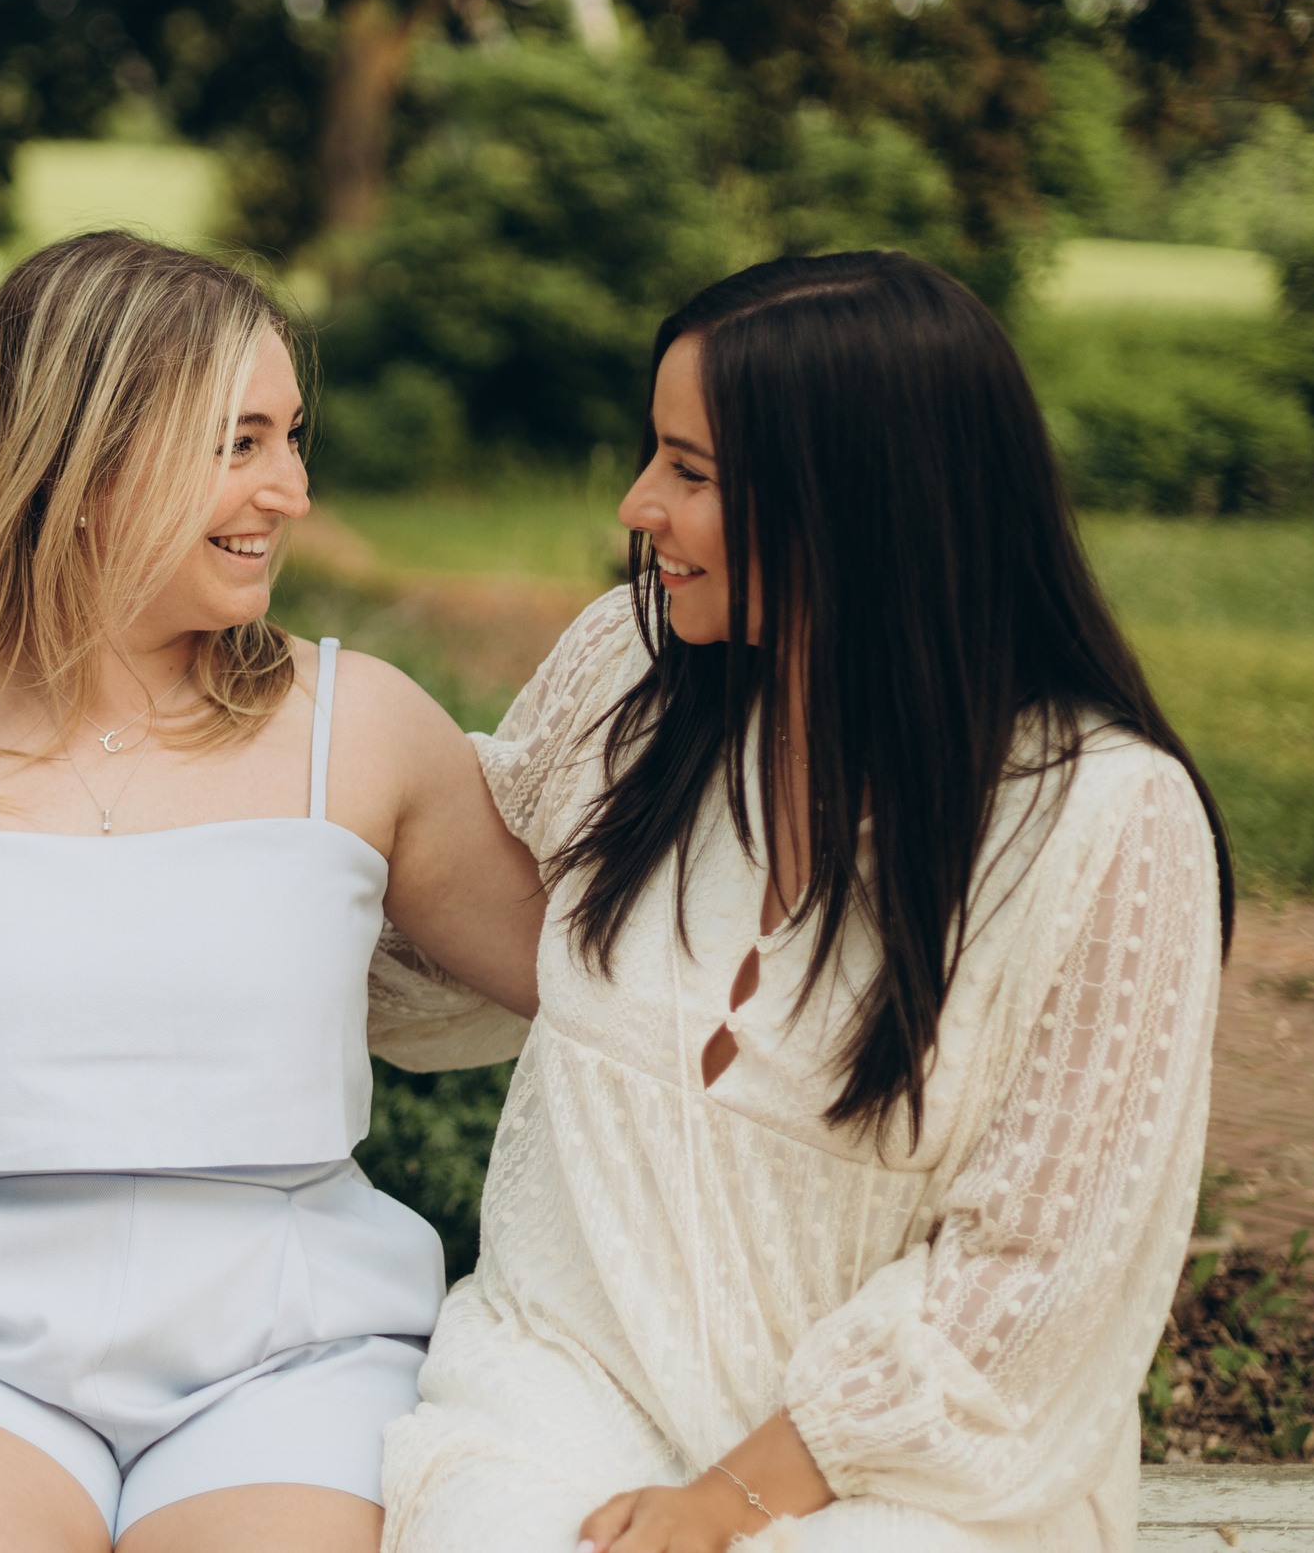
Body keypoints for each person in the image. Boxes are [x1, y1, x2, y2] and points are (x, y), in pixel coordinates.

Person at [372, 251, 1230, 1553]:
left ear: (860, 506)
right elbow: (431, 945)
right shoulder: (629, 683)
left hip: (904, 1492)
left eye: (691, 472)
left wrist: (725, 1506)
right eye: (654, 457)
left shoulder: (1107, 825)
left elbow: (1036, 1284)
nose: (637, 505)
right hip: (565, 1390)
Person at [0, 231, 543, 1553]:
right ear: (84, 461)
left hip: (297, 1350)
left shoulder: (364, 728)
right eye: (242, 443)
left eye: (291, 438)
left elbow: (600, 983)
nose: (291, 489)